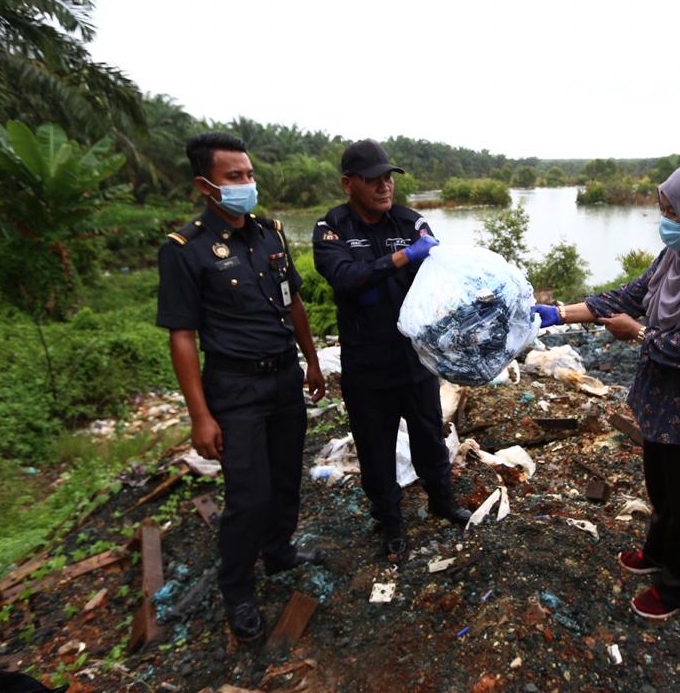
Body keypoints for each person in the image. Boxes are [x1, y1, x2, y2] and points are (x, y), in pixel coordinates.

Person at [533, 161, 680, 621]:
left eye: (674, 212)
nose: (667, 222)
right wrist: (559, 313)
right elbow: (627, 297)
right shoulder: (678, 256)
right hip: (661, 402)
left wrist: (638, 334)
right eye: (664, 210)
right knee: (661, 489)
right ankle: (658, 553)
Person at [157, 132, 326, 641]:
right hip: (234, 388)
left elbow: (292, 301)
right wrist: (199, 415)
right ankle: (237, 588)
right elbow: (183, 337)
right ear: (205, 185)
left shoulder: (270, 233)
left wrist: (312, 362)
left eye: (249, 174)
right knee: (248, 496)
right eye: (235, 177)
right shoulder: (185, 250)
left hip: (283, 379)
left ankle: (278, 552)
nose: (247, 184)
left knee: (285, 480)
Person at [312, 139, 470, 557]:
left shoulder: (411, 222)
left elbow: (441, 279)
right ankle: (390, 522)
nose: (385, 187)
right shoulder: (332, 229)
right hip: (366, 365)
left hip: (415, 359)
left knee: (428, 438)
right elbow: (346, 277)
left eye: (388, 178)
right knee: (376, 448)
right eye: (373, 180)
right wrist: (401, 259)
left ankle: (442, 501)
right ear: (349, 184)